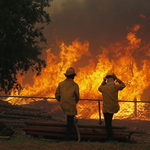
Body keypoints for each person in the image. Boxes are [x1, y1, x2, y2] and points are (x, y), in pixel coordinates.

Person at [98, 72, 125, 140]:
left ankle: (110, 137)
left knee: (108, 123)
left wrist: (103, 81)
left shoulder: (103, 88)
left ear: (107, 79)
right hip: (113, 107)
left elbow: (99, 88)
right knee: (109, 122)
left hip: (106, 108)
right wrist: (117, 79)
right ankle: (110, 136)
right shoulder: (115, 87)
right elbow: (123, 85)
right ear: (113, 79)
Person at [55, 67, 79, 141]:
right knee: (70, 121)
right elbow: (77, 97)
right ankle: (67, 138)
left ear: (66, 75)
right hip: (71, 105)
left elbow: (57, 94)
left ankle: (65, 136)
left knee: (68, 119)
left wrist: (61, 101)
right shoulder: (75, 85)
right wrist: (74, 102)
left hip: (62, 104)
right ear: (73, 76)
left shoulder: (61, 84)